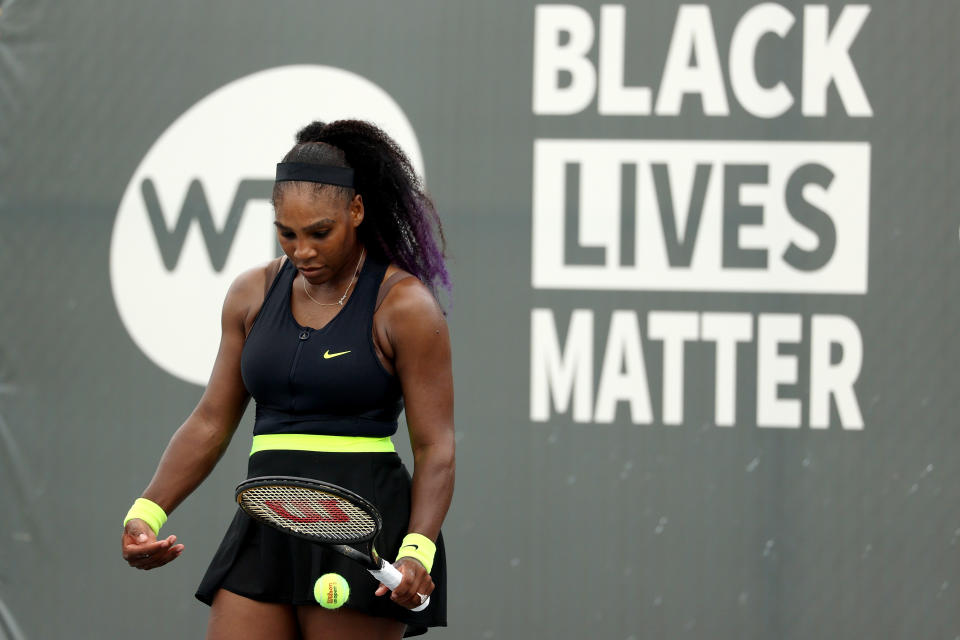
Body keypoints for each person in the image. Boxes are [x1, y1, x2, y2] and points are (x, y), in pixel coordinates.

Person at [120, 119, 455, 639]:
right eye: (288, 233)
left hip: (361, 526)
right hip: (268, 518)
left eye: (320, 232)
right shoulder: (251, 293)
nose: (303, 251)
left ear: (357, 211)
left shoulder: (405, 305)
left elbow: (436, 447)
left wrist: (417, 549)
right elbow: (211, 421)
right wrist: (147, 512)